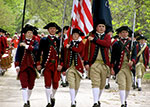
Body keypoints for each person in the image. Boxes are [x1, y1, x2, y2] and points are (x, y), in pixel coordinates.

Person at [84, 19, 112, 107]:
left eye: (103, 26)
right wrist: (86, 63)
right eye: (99, 26)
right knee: (95, 82)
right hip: (94, 64)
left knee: (102, 84)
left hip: (104, 64)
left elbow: (107, 44)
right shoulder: (90, 37)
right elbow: (85, 51)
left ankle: (98, 99)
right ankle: (95, 102)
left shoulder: (107, 37)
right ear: (96, 27)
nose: (101, 28)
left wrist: (95, 40)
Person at [36, 22, 62, 107]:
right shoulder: (43, 40)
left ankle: (52, 96)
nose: (52, 30)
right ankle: (48, 102)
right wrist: (38, 63)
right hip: (47, 65)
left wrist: (61, 64)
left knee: (55, 84)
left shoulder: (59, 41)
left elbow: (62, 54)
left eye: (54, 28)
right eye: (51, 28)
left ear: (56, 30)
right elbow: (39, 52)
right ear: (48, 30)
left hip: (56, 65)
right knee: (47, 83)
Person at [111, 26, 136, 107]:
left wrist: (132, 61)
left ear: (128, 33)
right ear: (119, 34)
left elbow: (135, 55)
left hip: (129, 68)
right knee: (122, 84)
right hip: (120, 67)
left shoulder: (133, 43)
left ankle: (124, 100)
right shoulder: (116, 44)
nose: (124, 34)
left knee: (128, 86)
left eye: (126, 32)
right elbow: (113, 57)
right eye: (122, 32)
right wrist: (112, 67)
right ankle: (122, 103)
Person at [15, 24, 39, 107]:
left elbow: (36, 49)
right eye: (28, 33)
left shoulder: (35, 42)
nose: (30, 34)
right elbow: (17, 55)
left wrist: (26, 46)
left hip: (32, 67)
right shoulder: (21, 43)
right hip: (23, 67)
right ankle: (25, 102)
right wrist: (17, 66)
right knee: (24, 84)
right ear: (25, 34)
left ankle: (28, 99)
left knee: (31, 85)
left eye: (31, 33)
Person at [64, 28, 85, 107]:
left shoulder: (81, 44)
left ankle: (74, 98)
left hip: (78, 67)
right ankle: (72, 101)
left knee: (77, 85)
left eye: (76, 34)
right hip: (70, 67)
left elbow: (79, 50)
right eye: (74, 34)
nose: (75, 36)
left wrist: (70, 47)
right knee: (71, 84)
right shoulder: (68, 43)